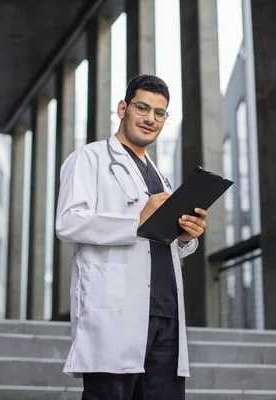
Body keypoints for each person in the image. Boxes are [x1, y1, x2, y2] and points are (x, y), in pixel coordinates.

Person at [55, 74, 208, 400]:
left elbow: (157, 243)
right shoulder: (90, 158)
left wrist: (184, 237)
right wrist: (135, 219)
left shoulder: (162, 178)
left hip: (165, 314)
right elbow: (68, 222)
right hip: (116, 313)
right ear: (123, 108)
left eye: (159, 113)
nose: (150, 119)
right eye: (142, 108)